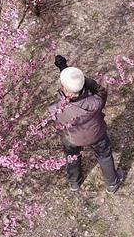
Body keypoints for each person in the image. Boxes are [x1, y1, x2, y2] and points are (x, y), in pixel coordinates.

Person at [48, 56, 125, 193]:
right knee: (104, 155)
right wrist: (82, 80)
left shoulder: (55, 108)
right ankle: (112, 184)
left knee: (72, 157)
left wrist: (64, 69)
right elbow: (100, 90)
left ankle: (74, 183)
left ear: (64, 88)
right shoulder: (95, 102)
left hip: (71, 138)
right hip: (96, 134)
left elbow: (59, 114)